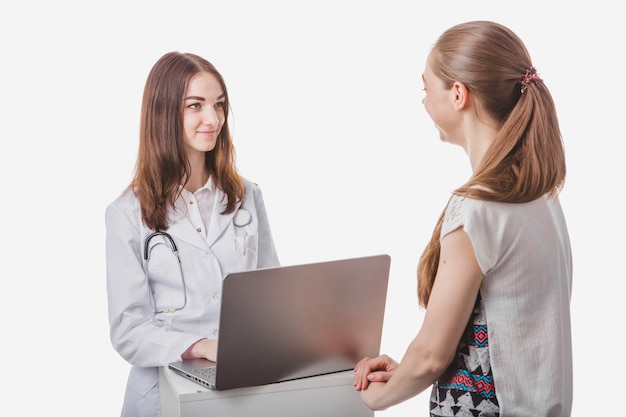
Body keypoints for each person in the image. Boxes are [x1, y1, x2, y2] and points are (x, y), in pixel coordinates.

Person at [353, 21, 573, 417]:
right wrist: (407, 373)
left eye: (426, 88)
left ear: (458, 94)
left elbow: (432, 356)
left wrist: (373, 398)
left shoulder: (477, 210)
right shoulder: (541, 197)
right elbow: (504, 329)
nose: (422, 102)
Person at [105, 51, 280, 417]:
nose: (212, 119)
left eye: (219, 105)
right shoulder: (126, 214)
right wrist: (199, 345)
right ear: (164, 112)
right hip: (162, 394)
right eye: (195, 106)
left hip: (240, 387)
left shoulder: (247, 196)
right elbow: (128, 330)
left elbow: (272, 294)